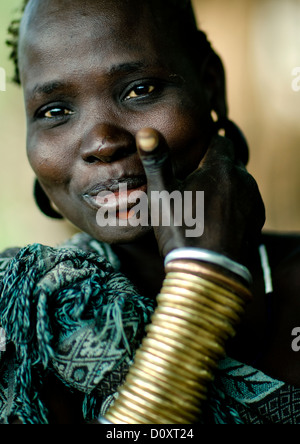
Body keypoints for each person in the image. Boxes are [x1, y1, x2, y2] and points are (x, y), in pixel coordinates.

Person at [1, 0, 299, 424]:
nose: (102, 142)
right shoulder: (28, 322)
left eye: (140, 89)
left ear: (211, 86)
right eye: (55, 112)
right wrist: (204, 279)